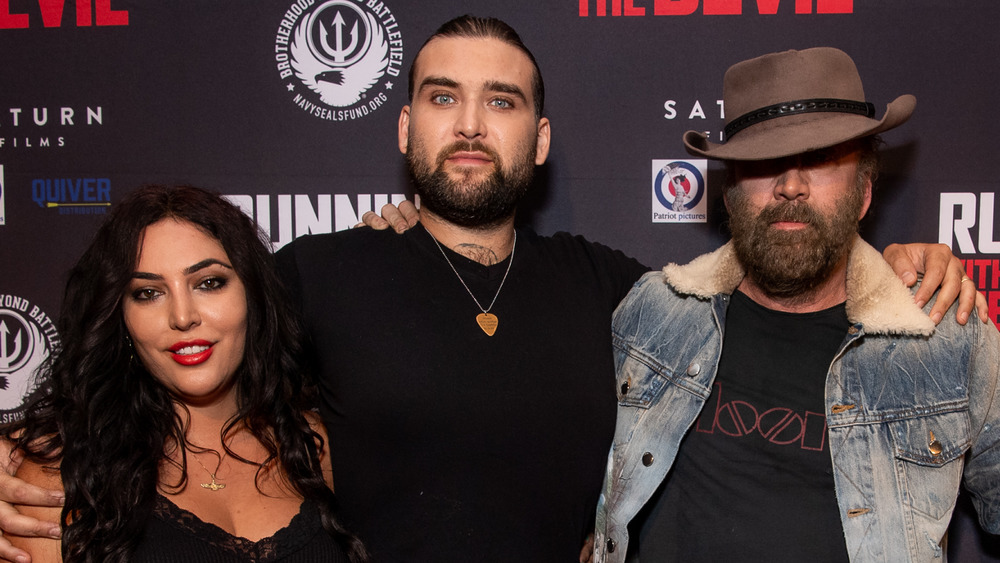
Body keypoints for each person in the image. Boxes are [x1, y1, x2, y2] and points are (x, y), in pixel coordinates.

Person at [0, 17, 983, 563]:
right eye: (443, 97)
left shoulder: (622, 291)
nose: (471, 124)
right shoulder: (318, 273)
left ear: (539, 141)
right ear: (404, 130)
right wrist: (43, 462)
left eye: (502, 101)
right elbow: (174, 353)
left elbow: (779, 278)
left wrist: (891, 263)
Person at [592, 47, 1000, 562]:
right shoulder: (654, 313)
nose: (790, 186)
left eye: (822, 159)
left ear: (865, 192)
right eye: (765, 162)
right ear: (730, 192)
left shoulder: (948, 338)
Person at [1, 185, 368, 562]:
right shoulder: (61, 474)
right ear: (121, 318)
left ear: (254, 297)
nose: (182, 316)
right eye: (148, 292)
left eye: (209, 283)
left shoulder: (315, 446)